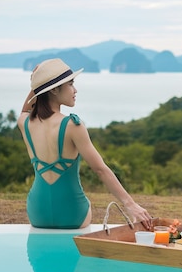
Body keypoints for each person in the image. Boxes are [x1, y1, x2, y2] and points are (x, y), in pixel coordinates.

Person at [17, 58, 153, 229]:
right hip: (72, 213)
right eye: (70, 84)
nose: (75, 90)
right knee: (86, 204)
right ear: (54, 90)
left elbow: (25, 110)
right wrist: (131, 205)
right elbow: (100, 170)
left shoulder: (25, 123)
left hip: (37, 212)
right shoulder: (73, 125)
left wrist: (36, 85)